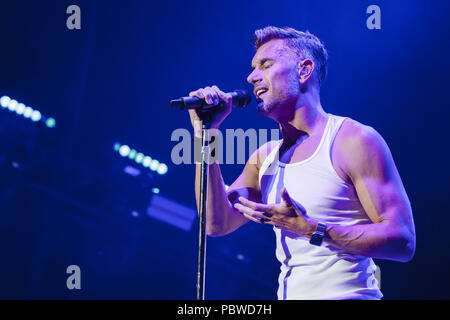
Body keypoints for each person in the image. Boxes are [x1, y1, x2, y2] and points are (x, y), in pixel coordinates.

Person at [187, 26, 416, 300]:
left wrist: (312, 229)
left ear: (304, 70)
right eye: (252, 68)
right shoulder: (265, 158)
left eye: (265, 65)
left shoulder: (352, 140)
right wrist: (206, 134)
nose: (251, 77)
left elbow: (402, 240)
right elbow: (215, 223)